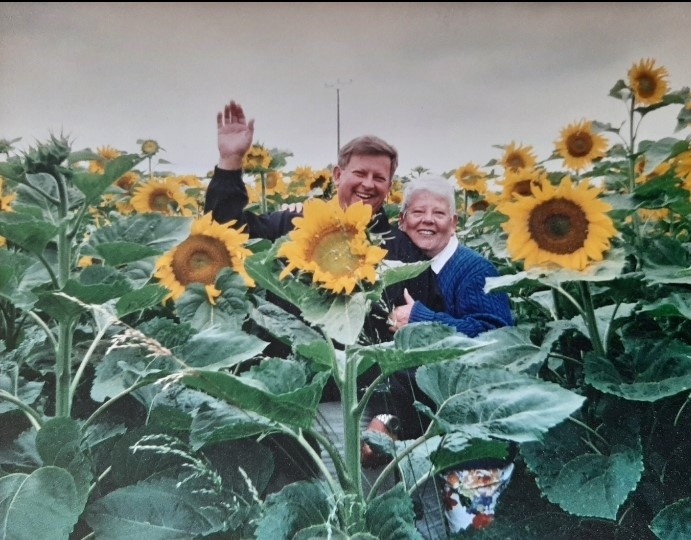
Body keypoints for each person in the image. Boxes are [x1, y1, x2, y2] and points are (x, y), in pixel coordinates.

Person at [204, 99, 443, 489]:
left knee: (363, 508)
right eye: (359, 173)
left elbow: (417, 343)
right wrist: (230, 163)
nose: (368, 184)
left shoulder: (402, 252)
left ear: (389, 186)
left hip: (367, 409)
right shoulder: (295, 224)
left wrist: (392, 418)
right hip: (293, 399)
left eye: (379, 177)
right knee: (299, 505)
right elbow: (228, 230)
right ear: (337, 174)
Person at [368, 175, 515, 534]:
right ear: (402, 221)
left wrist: (420, 318)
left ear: (454, 222)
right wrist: (387, 417)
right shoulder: (407, 271)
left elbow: (497, 339)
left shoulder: (473, 269)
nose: (428, 220)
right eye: (418, 212)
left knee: (472, 530)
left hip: (475, 433)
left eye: (438, 213)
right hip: (428, 427)